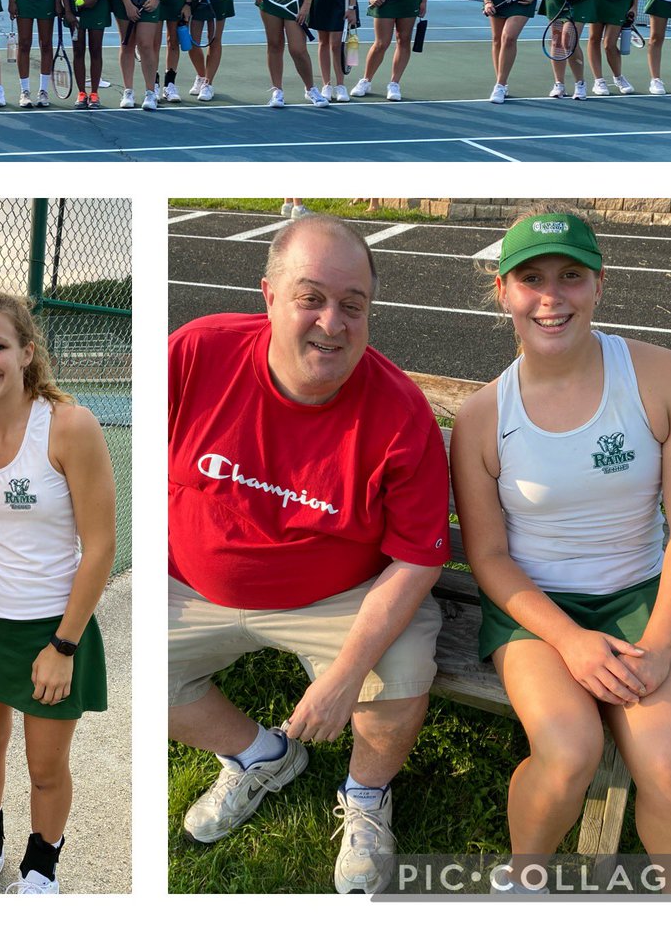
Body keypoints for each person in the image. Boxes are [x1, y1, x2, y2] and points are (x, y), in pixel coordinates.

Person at [168, 216, 449, 893]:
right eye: (311, 297)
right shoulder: (193, 354)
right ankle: (261, 755)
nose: (333, 321)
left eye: (353, 305)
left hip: (337, 596)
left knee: (401, 670)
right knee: (109, 660)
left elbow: (417, 558)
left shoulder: (401, 413)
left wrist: (345, 674)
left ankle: (366, 798)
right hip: (192, 587)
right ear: (268, 297)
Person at [450, 210, 671, 893]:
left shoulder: (660, 375)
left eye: (571, 276)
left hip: (638, 602)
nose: (551, 296)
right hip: (536, 610)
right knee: (569, 752)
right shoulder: (482, 418)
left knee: (666, 766)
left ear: (601, 284)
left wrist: (655, 645)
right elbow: (490, 558)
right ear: (502, 290)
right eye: (531, 278)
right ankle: (523, 873)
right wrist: (569, 641)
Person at [0, 291, 115, 895]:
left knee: (45, 768)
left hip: (50, 629)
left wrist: (63, 646)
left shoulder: (68, 426)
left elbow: (100, 549)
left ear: (26, 352)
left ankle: (41, 867)